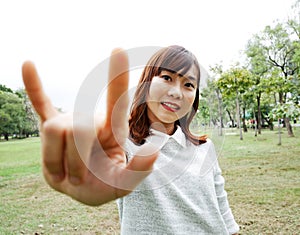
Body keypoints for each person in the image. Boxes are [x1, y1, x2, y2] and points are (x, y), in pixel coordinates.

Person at [22, 45, 239, 234]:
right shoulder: (123, 143)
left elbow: (222, 210)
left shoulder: (204, 147)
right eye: (167, 77)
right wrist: (82, 155)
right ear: (146, 83)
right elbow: (103, 153)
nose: (176, 92)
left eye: (188, 85)